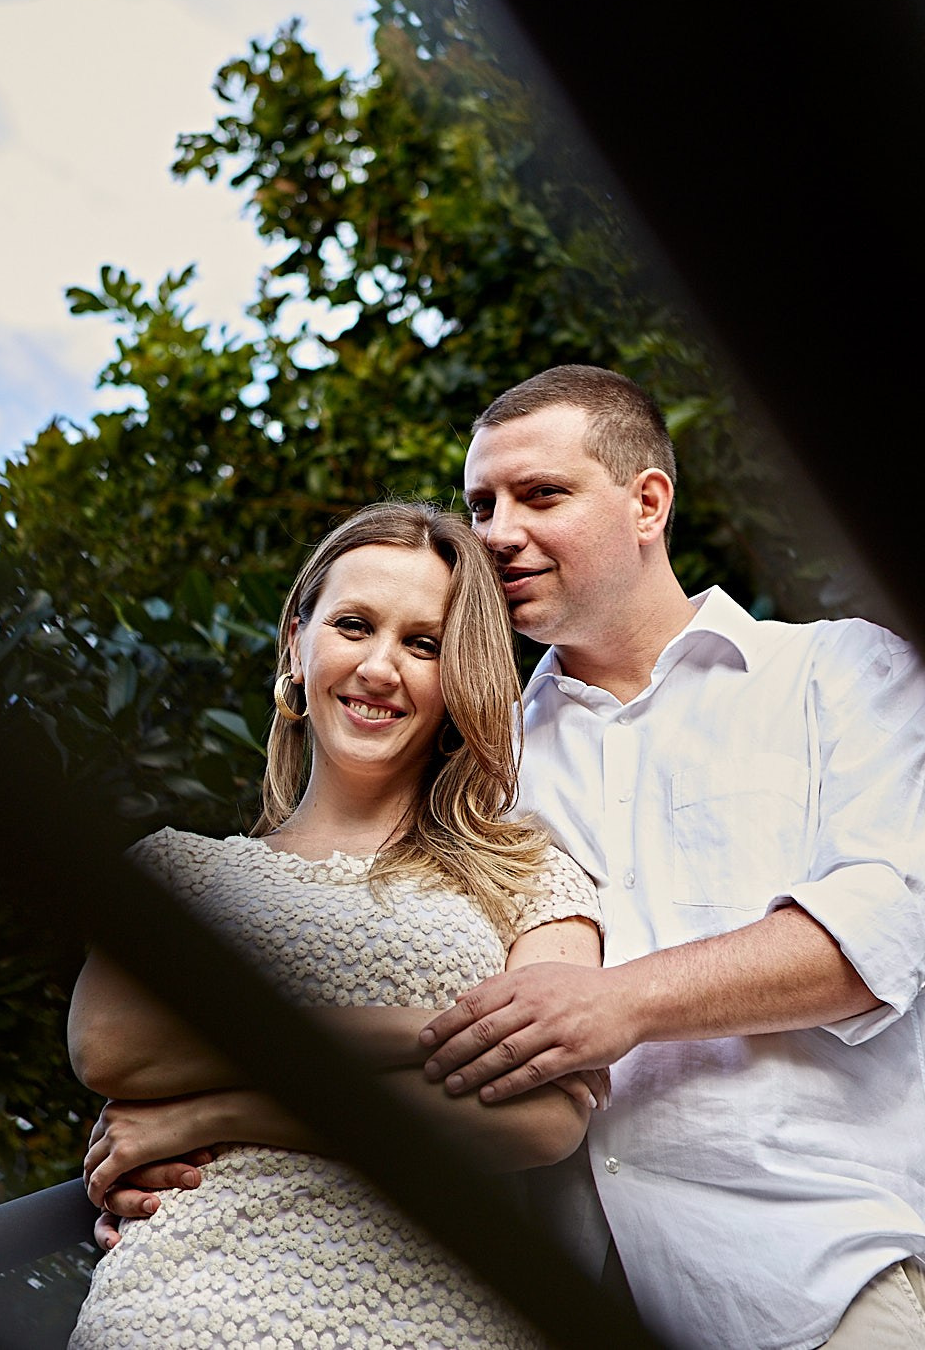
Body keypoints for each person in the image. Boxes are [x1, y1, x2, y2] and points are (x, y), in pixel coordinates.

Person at [417, 364, 925, 1350]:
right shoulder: (483, 769)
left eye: (538, 494)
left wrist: (618, 1000)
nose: (495, 532)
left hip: (817, 1285)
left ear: (646, 503)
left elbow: (882, 930)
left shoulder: (844, 673)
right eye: (480, 504)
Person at [64, 502, 606, 1349]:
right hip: (176, 1311)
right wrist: (440, 1034)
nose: (381, 668)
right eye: (354, 624)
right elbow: (113, 1045)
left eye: (424, 644)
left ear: (459, 675)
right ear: (297, 641)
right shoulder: (178, 869)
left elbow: (543, 1119)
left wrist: (218, 1111)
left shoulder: (531, 873)